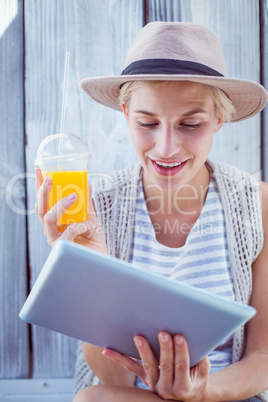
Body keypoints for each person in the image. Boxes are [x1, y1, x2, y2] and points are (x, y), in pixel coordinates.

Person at [35, 22, 268, 401]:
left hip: (225, 395)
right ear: (126, 114)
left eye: (191, 124)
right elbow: (114, 379)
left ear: (219, 120)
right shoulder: (94, 209)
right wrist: (88, 266)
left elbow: (263, 357)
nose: (166, 147)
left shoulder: (256, 205)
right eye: (147, 123)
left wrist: (202, 392)